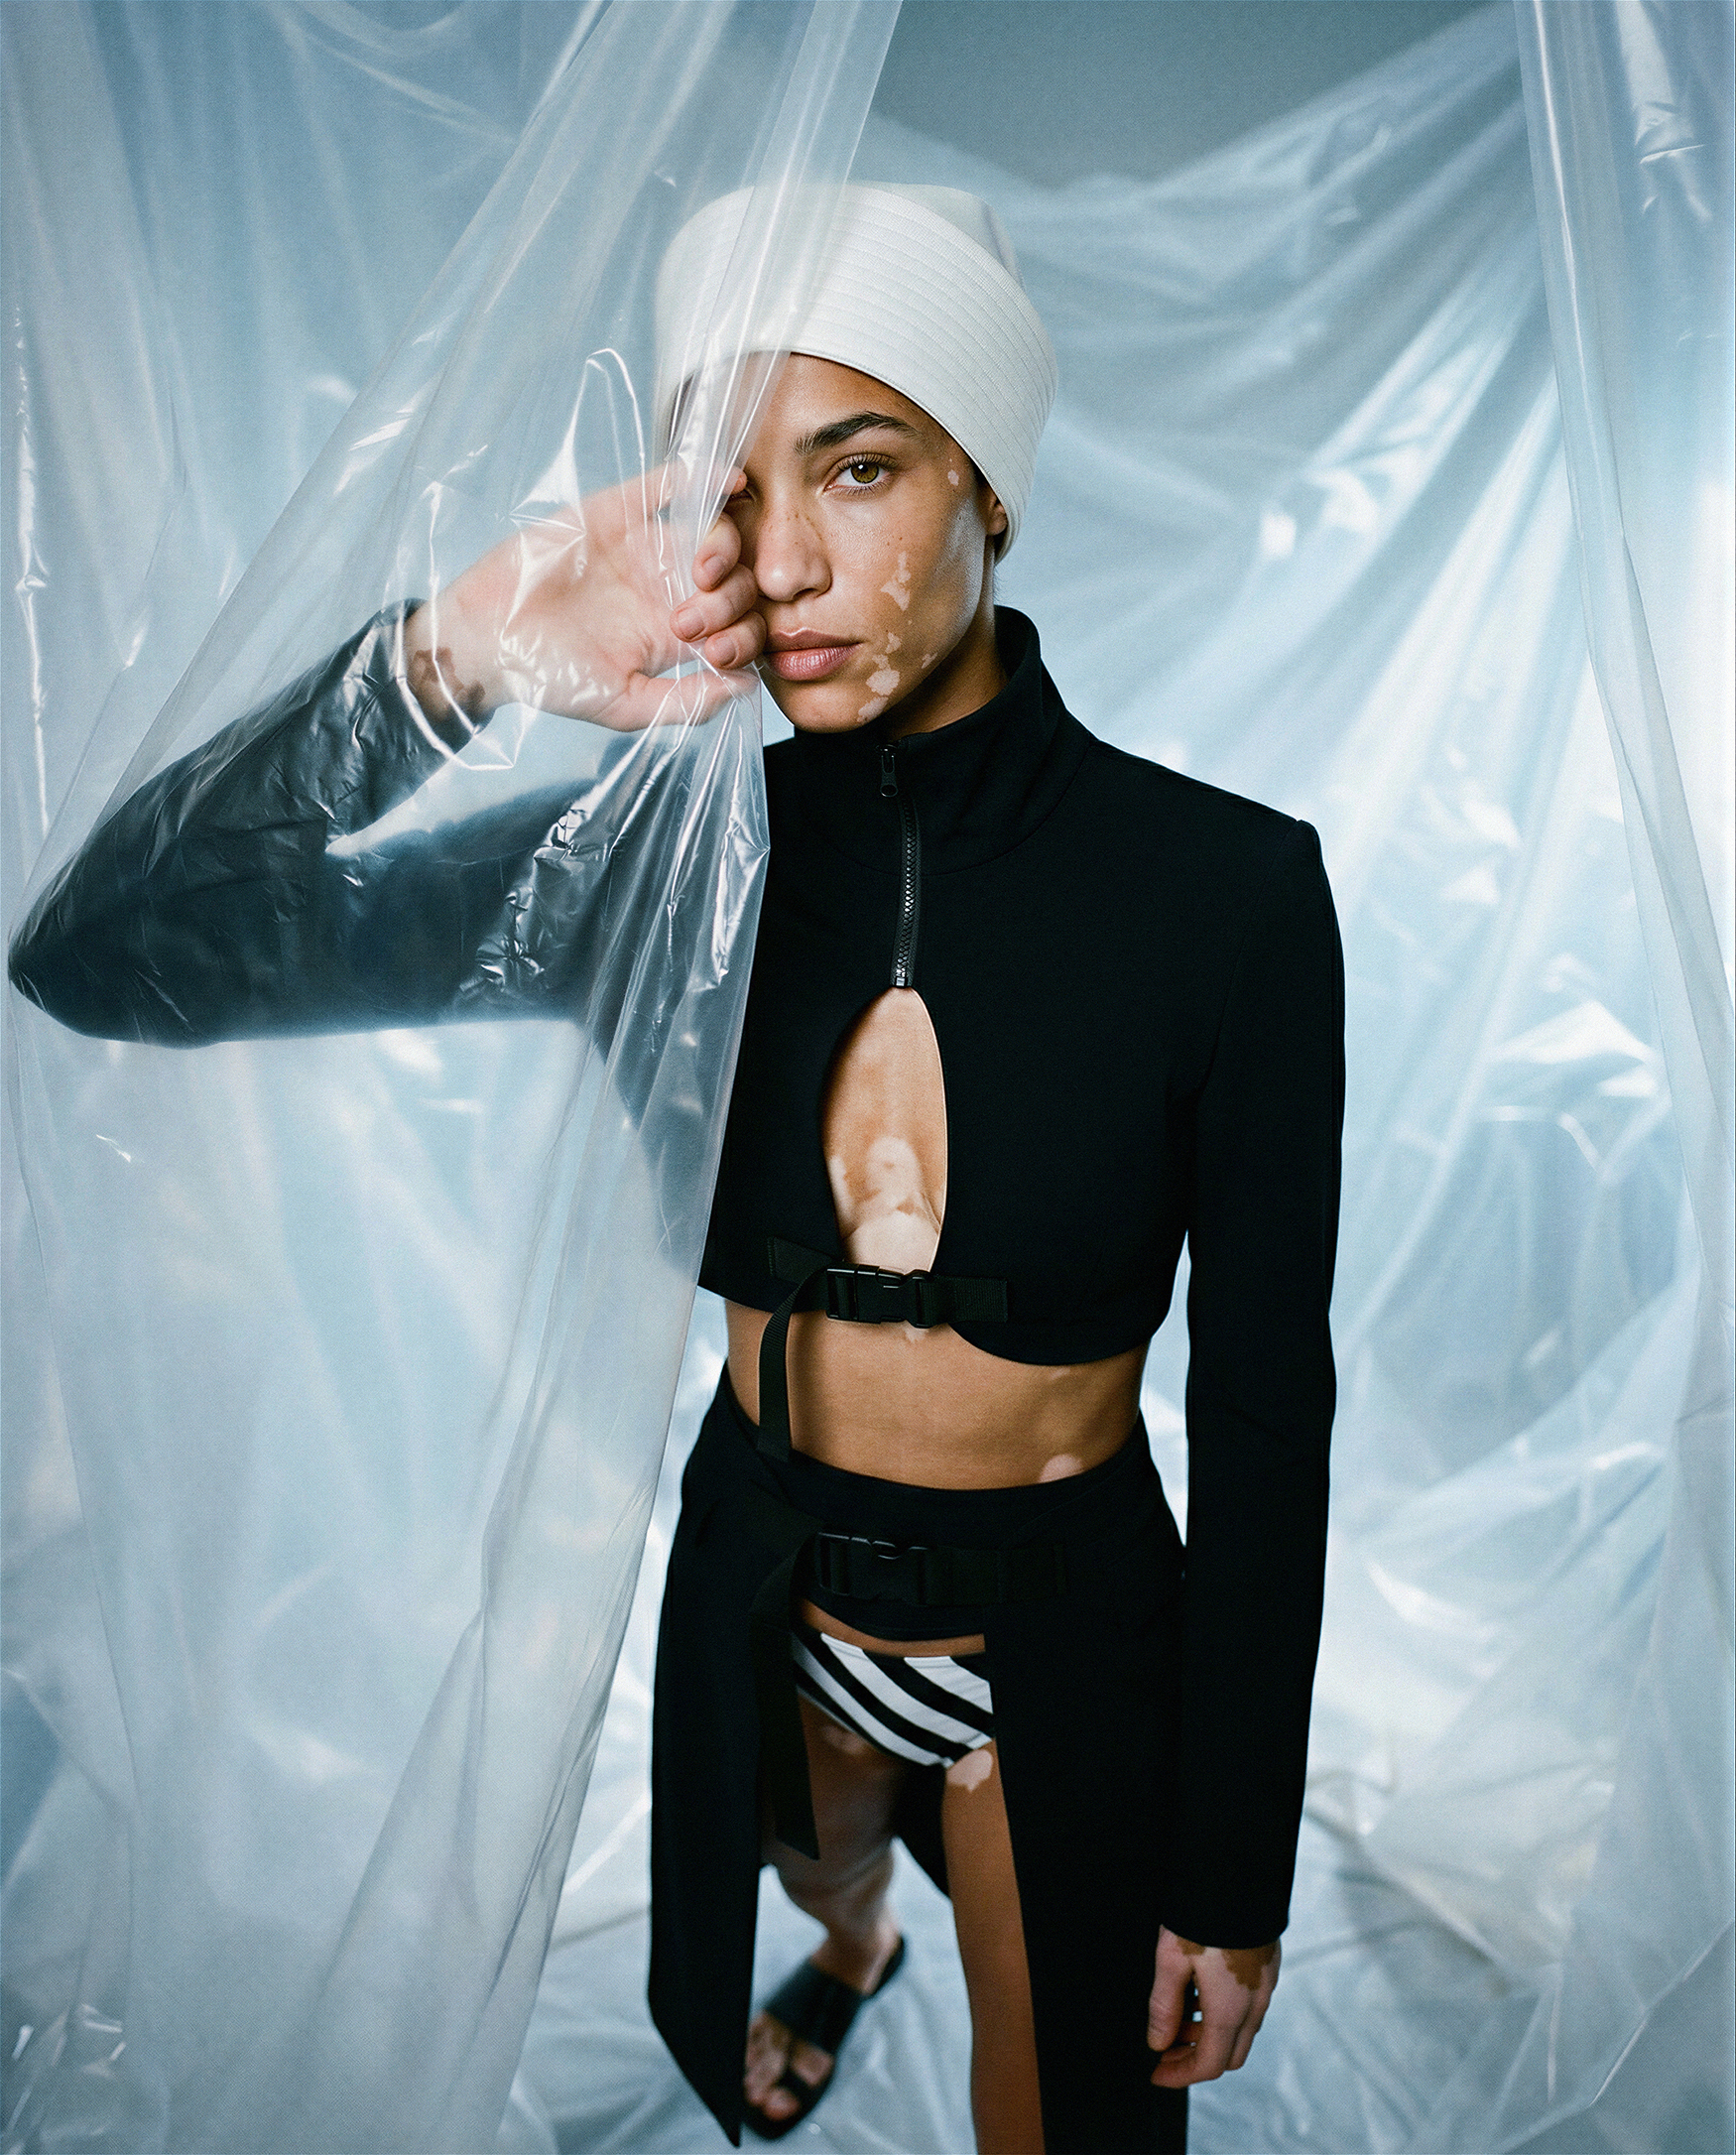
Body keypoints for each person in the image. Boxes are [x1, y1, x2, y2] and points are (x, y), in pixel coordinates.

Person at [9, 186, 1343, 2154]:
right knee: (813, 1873)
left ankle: (890, 1926)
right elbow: (107, 955)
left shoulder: (1224, 893)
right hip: (765, 1593)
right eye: (728, 493)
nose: (781, 560)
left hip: (1061, 1635)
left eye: (857, 467)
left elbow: (1267, 1409)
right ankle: (850, 1947)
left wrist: (1231, 1871)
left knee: (1073, 2118)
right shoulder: (647, 873)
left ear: (988, 485)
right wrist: (452, 656)